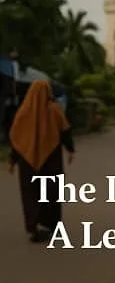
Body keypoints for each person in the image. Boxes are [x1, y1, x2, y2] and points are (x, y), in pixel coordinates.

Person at [6, 79, 75, 243]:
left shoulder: (24, 112)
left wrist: (12, 160)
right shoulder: (55, 109)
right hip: (51, 159)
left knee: (31, 194)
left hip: (28, 161)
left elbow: (18, 140)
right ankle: (51, 226)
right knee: (51, 193)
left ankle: (33, 228)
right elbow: (65, 131)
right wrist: (70, 150)